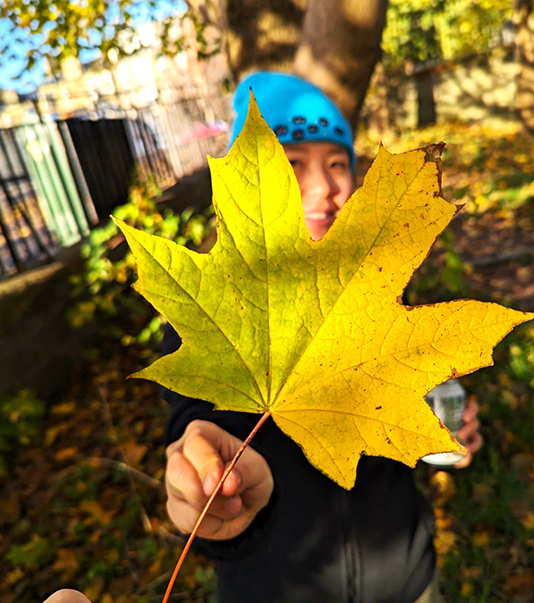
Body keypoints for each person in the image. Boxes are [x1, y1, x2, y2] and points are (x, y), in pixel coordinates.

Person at [161, 72, 483, 603]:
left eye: (337, 163)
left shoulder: (381, 285)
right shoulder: (207, 312)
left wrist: (443, 437)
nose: (323, 187)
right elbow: (192, 424)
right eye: (292, 164)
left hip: (406, 579)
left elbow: (407, 410)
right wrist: (205, 483)